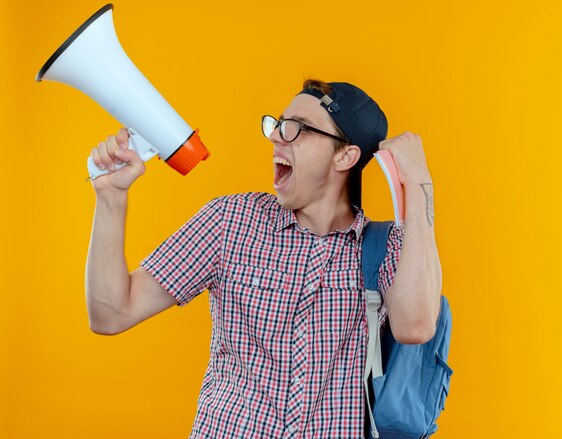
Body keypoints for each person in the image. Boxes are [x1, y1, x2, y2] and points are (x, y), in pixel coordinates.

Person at [85, 79, 442, 438]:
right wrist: (111, 196)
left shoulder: (386, 248)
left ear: (345, 156)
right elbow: (112, 314)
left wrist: (420, 183)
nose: (275, 137)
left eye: (296, 128)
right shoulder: (231, 221)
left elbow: (417, 327)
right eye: (277, 124)